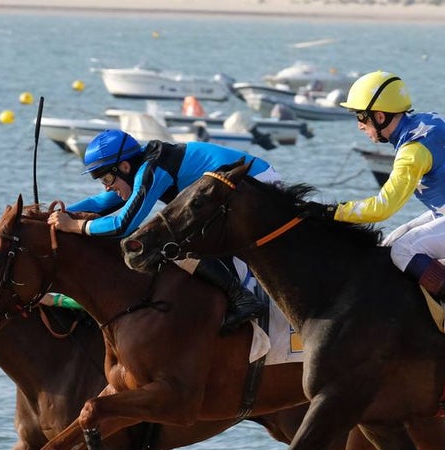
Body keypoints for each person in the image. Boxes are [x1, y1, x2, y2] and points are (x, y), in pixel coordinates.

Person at [319, 70, 445, 358]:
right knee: (388, 245)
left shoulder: (411, 152)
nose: (359, 126)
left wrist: (333, 212)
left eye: (361, 117)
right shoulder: (434, 120)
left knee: (403, 251)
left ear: (380, 116)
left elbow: (382, 208)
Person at [49, 129, 278, 332]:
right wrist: (55, 214)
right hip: (238, 187)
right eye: (102, 181)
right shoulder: (141, 168)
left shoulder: (152, 171)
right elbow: (103, 203)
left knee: (167, 241)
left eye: (107, 178)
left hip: (255, 183)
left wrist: (76, 226)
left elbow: (122, 224)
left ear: (125, 167)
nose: (107, 186)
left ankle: (242, 299)